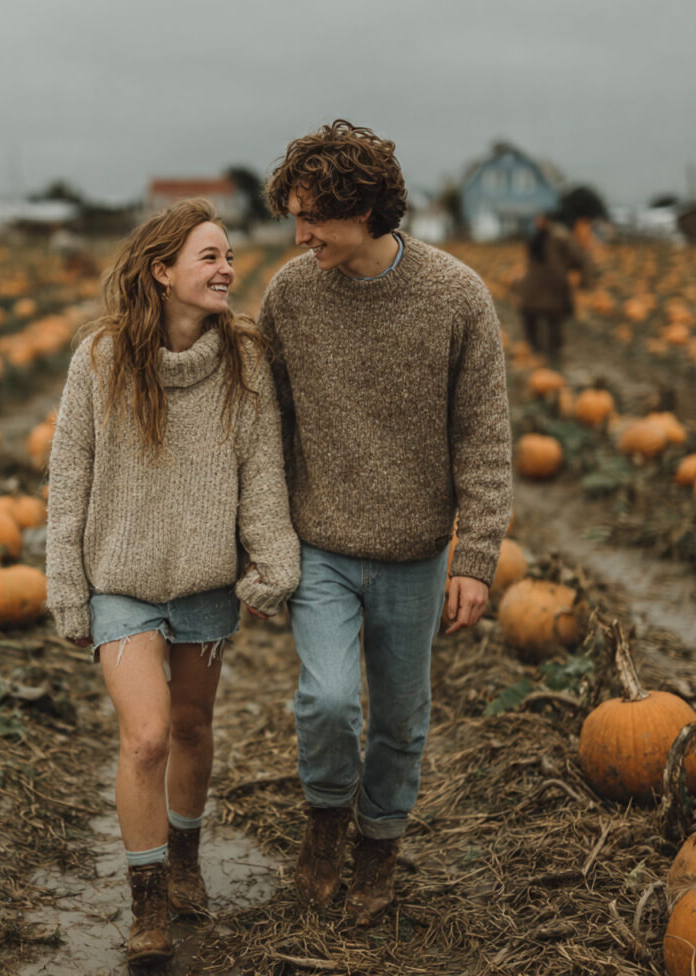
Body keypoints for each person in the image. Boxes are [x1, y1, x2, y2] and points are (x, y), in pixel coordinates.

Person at [257, 120, 513, 926]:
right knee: (329, 701)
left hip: (415, 553)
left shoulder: (456, 297)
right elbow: (266, 424)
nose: (299, 236)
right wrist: (261, 543)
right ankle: (327, 823)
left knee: (400, 717)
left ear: (366, 209)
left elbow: (485, 436)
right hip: (321, 545)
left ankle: (379, 846)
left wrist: (476, 554)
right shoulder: (290, 295)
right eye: (293, 217)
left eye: (313, 218)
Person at [45, 197, 300, 966]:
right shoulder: (99, 360)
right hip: (120, 582)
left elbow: (260, 470)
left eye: (228, 257)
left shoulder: (244, 361)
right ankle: (147, 904)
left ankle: (185, 858)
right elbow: (69, 479)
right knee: (148, 734)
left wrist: (274, 559)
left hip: (205, 586)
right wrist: (66, 585)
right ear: (162, 271)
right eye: (210, 257)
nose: (227, 269)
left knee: (191, 726)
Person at [513, 212, 595, 366]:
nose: (537, 221)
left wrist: (584, 278)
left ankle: (545, 355)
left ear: (547, 219)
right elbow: (578, 259)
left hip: (545, 286)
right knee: (545, 321)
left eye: (540, 218)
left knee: (545, 321)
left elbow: (577, 258)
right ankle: (544, 355)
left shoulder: (554, 236)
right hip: (546, 287)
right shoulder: (550, 235)